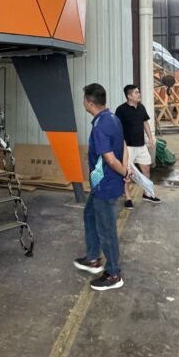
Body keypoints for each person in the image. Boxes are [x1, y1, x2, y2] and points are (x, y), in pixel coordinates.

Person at [74, 83, 132, 291]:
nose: (83, 103)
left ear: (90, 103)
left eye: (84, 100)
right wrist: (126, 169)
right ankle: (92, 258)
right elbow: (123, 146)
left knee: (107, 230)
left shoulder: (100, 127)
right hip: (103, 183)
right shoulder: (112, 118)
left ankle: (114, 274)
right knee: (90, 214)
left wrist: (124, 172)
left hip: (105, 186)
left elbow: (109, 159)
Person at [115, 84, 161, 207]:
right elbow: (117, 128)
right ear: (129, 96)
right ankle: (128, 198)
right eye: (136, 92)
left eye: (138, 92)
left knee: (146, 169)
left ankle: (147, 193)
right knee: (127, 173)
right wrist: (120, 144)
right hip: (128, 147)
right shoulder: (121, 110)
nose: (139, 94)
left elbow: (145, 122)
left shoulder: (141, 107)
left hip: (141, 145)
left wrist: (150, 138)